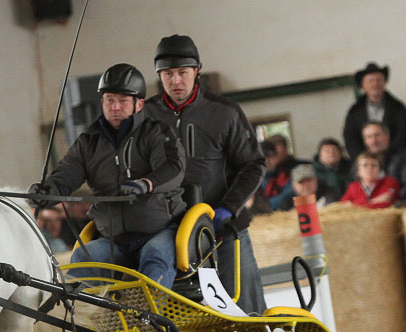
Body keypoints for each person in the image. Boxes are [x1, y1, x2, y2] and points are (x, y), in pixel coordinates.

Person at [29, 63, 186, 288]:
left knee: (156, 256)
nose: (115, 107)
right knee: (82, 260)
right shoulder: (87, 142)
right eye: (109, 100)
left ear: (139, 104)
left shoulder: (157, 132)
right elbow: (66, 175)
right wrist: (48, 192)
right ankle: (89, 320)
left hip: (159, 231)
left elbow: (174, 168)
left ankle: (149, 320)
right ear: (101, 102)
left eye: (123, 100)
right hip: (113, 240)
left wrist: (146, 184)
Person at [143, 34, 267, 314]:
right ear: (159, 75)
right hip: (167, 235)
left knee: (247, 311)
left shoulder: (225, 113)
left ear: (197, 71)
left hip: (223, 231)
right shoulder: (143, 117)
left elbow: (254, 164)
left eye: (183, 73)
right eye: (168, 73)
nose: (176, 81)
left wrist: (229, 207)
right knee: (180, 320)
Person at [343, 62, 406, 158]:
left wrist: (387, 154)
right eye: (370, 81)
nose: (375, 84)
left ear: (384, 83)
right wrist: (362, 158)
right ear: (363, 85)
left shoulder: (397, 107)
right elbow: (350, 138)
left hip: (395, 158)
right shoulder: (355, 110)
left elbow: (404, 134)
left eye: (379, 80)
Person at [361, 121, 406, 197]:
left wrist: (393, 199)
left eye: (377, 135)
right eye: (369, 137)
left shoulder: (403, 155)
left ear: (387, 136)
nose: (373, 141)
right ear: (365, 141)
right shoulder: (361, 160)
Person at [313, 137, 352, 202]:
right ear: (320, 155)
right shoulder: (312, 171)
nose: (331, 153)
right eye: (327, 150)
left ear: (340, 153)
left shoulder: (351, 168)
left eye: (334, 150)